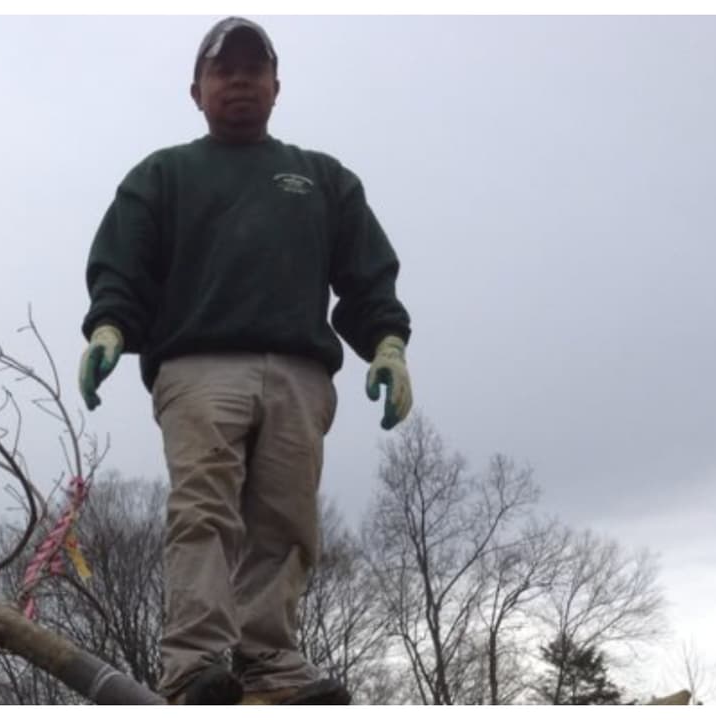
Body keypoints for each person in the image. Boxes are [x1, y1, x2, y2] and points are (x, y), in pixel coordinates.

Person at [78, 16, 414, 705]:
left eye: (253, 69)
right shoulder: (163, 174)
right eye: (223, 70)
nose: (239, 80)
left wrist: (387, 344)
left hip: (299, 374)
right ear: (196, 90)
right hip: (198, 367)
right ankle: (193, 664)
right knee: (204, 511)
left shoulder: (322, 179)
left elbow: (366, 275)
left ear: (276, 86)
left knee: (286, 523)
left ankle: (271, 663)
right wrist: (109, 327)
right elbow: (123, 265)